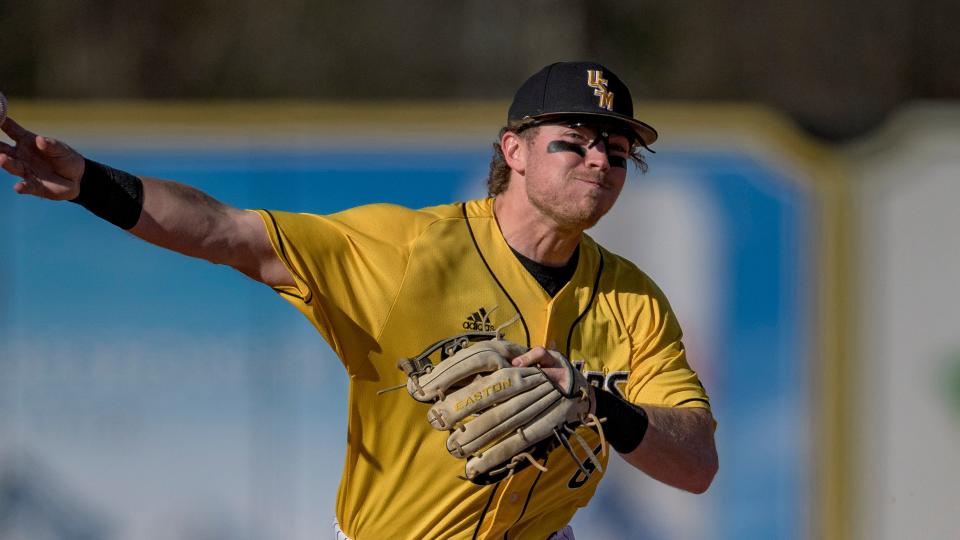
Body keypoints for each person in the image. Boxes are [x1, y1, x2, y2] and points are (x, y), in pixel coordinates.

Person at [0, 61, 718, 539]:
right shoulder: (404, 252)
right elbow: (225, 233)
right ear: (514, 151)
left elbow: (696, 464)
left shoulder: (634, 302)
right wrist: (91, 182)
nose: (600, 160)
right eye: (576, 142)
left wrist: (602, 405)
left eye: (618, 153)